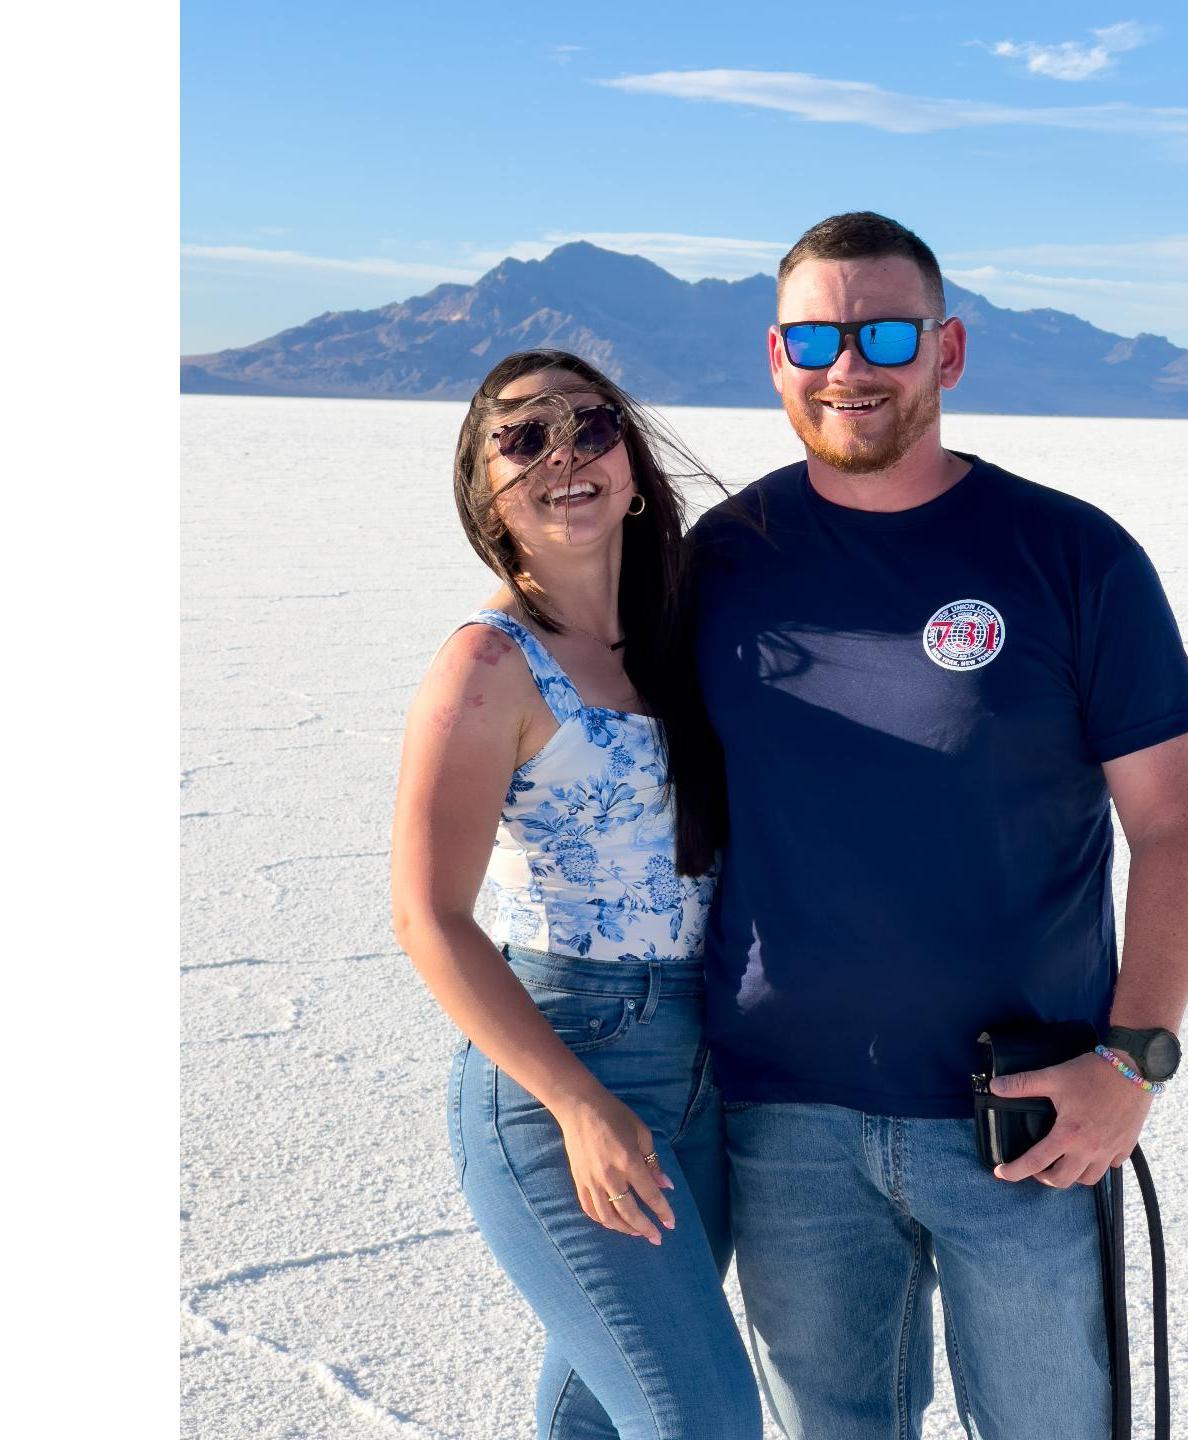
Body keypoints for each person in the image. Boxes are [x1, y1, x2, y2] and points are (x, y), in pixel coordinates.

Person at [682, 212, 1188, 1440]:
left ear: (947, 350)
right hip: (786, 1120)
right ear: (775, 356)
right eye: (815, 337)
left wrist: (1131, 1060)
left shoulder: (1070, 556)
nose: (848, 369)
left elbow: (1177, 826)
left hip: (1031, 1115)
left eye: (883, 333)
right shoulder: (724, 561)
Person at [390, 349, 762, 1440]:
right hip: (561, 1060)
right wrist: (579, 1105)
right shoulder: (489, 667)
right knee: (703, 1421)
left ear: (634, 469)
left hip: (702, 1060)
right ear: (485, 490)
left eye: (590, 427)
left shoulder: (681, 642)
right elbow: (428, 917)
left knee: (601, 1410)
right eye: (521, 437)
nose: (564, 454)